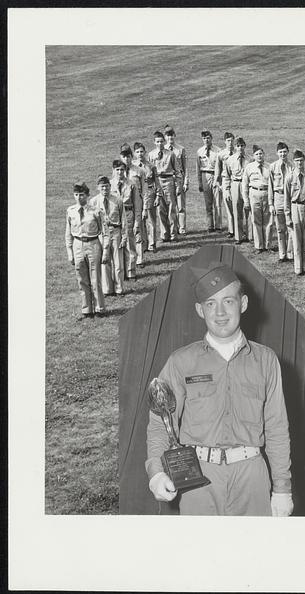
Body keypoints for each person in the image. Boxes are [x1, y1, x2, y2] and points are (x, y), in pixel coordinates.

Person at [145, 262, 293, 516]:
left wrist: (282, 488)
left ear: (243, 304)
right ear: (199, 310)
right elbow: (161, 422)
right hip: (198, 478)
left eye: (228, 301)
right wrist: (156, 472)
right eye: (211, 304)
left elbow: (277, 427)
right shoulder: (181, 362)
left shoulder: (266, 360)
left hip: (252, 478)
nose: (220, 312)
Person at [65, 182, 106, 319]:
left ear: (87, 196)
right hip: (78, 244)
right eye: (76, 195)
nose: (78, 198)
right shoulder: (70, 211)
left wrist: (105, 250)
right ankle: (87, 309)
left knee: (95, 278)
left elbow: (103, 232)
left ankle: (99, 308)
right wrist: (70, 252)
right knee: (81, 278)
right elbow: (68, 234)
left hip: (93, 243)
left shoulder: (95, 211)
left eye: (81, 195)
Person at [90, 175, 126, 296]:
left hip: (115, 232)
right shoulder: (94, 202)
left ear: (110, 187)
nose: (105, 189)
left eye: (107, 186)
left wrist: (124, 236)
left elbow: (124, 219)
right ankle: (107, 289)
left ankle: (119, 288)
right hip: (101, 235)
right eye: (102, 187)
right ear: (98, 188)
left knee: (118, 262)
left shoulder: (117, 200)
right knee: (104, 262)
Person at [284, 149, 305, 276]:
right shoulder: (289, 177)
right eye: (297, 161)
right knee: (296, 240)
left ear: (304, 160)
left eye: (301, 160)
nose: (299, 163)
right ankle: (298, 268)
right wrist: (287, 216)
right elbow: (286, 198)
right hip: (295, 208)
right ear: (293, 162)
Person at [110, 159, 141, 278]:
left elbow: (137, 203)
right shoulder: (109, 184)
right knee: (117, 244)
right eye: (117, 170)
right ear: (113, 171)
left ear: (125, 170)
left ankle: (131, 271)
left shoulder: (131, 184)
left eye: (122, 170)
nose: (119, 172)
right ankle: (120, 272)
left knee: (130, 242)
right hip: (115, 216)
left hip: (128, 213)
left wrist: (137, 221)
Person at [148, 130, 180, 242]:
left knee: (171, 208)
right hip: (158, 181)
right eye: (157, 141)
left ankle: (173, 234)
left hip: (169, 180)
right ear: (154, 142)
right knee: (161, 210)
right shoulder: (151, 155)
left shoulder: (170, 154)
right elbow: (149, 171)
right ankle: (164, 235)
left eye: (162, 141)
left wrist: (178, 185)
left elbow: (177, 170)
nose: (160, 144)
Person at [119, 143, 148, 257]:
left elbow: (144, 190)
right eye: (124, 156)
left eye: (128, 156)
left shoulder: (139, 171)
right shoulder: (118, 172)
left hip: (137, 202)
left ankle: (139, 257)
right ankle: (128, 256)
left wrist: (145, 207)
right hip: (123, 205)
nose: (126, 159)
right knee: (125, 231)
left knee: (137, 228)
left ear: (132, 156)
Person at [132, 142, 161, 254]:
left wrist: (158, 196)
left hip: (149, 193)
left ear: (145, 152)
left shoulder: (151, 166)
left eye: (141, 151)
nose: (140, 154)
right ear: (134, 153)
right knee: (140, 220)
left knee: (150, 220)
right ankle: (142, 244)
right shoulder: (133, 167)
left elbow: (157, 182)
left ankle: (152, 244)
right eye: (137, 152)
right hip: (137, 195)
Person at [242, 144, 271, 253]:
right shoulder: (249, 167)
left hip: (266, 193)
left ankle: (267, 245)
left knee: (268, 221)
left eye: (261, 154)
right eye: (257, 154)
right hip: (254, 193)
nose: (259, 156)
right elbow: (244, 185)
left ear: (264, 154)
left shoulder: (269, 167)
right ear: (253, 156)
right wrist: (246, 200)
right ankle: (259, 246)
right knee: (256, 220)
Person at [269, 142, 294, 261]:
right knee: (280, 228)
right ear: (277, 153)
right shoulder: (273, 167)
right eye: (280, 152)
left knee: (290, 226)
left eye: (285, 151)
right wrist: (270, 203)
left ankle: (290, 253)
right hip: (278, 197)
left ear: (288, 152)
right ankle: (282, 254)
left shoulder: (292, 167)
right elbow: (270, 186)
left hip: (289, 198)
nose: (283, 154)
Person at [222, 137, 249, 244]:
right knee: (237, 211)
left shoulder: (249, 159)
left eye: (242, 145)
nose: (240, 148)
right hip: (235, 184)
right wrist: (227, 190)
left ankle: (249, 235)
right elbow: (226, 176)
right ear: (235, 147)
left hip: (246, 185)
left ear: (245, 146)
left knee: (248, 210)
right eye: (238, 146)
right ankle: (238, 236)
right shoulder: (230, 160)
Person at [164, 125, 189, 235]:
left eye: (172, 135)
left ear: (175, 136)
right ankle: (172, 228)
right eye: (168, 136)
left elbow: (185, 167)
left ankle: (182, 228)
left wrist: (186, 181)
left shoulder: (180, 149)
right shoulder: (163, 150)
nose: (170, 138)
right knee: (170, 205)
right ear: (165, 137)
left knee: (181, 205)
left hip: (179, 179)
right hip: (169, 180)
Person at [196, 130, 222, 232]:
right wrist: (199, 182)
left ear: (211, 138)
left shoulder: (218, 151)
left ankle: (218, 226)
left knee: (217, 202)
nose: (206, 140)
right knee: (208, 203)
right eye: (204, 138)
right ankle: (210, 226)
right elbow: (198, 168)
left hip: (215, 175)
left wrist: (219, 180)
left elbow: (220, 167)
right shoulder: (199, 151)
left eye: (208, 138)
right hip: (204, 175)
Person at [214, 132, 237, 239]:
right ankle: (231, 230)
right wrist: (217, 182)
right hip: (225, 180)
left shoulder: (238, 152)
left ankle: (239, 229)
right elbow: (217, 169)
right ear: (225, 141)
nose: (230, 142)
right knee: (228, 206)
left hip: (237, 180)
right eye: (228, 140)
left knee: (238, 206)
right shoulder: (221, 154)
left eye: (232, 140)